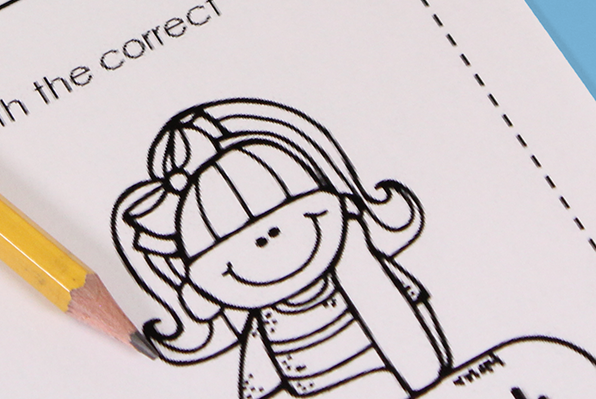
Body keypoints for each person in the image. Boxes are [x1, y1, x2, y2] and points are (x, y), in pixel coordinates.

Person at [112, 99, 451, 398]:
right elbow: (260, 378)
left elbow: (397, 319)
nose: (265, 239)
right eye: (225, 238)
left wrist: (426, 379)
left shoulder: (361, 269)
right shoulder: (267, 320)